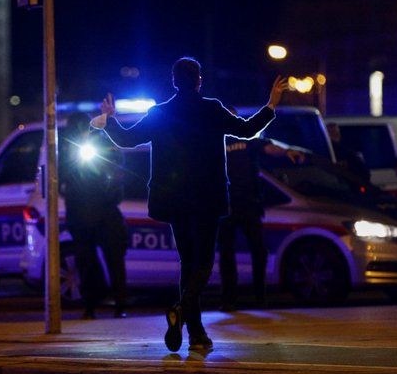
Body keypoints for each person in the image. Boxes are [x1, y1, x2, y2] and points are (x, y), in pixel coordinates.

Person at [96, 57, 288, 352]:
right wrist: (271, 104)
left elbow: (128, 139)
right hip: (207, 197)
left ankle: (195, 332)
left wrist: (108, 120)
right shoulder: (211, 108)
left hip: (173, 199)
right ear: (199, 81)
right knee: (204, 263)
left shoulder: (160, 112)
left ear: (174, 81)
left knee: (188, 262)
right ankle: (184, 313)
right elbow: (248, 130)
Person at [217, 136, 306, 312]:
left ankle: (257, 296)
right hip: (227, 207)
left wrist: (287, 151)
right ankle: (231, 299)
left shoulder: (248, 141)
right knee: (229, 254)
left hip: (247, 205)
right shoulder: (216, 142)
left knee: (256, 252)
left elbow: (270, 148)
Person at [59, 111, 129, 319]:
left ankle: (120, 304)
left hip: (105, 212)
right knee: (86, 263)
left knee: (114, 260)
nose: (81, 132)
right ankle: (91, 305)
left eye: (83, 127)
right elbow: (62, 178)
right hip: (81, 215)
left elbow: (117, 165)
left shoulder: (101, 143)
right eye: (77, 128)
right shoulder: (67, 150)